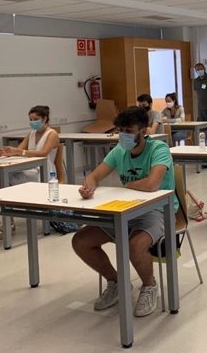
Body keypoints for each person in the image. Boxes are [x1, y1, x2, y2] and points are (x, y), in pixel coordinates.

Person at [72, 106, 177, 318]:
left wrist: (123, 188)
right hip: (124, 210)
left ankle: (149, 286)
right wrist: (88, 187)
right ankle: (117, 282)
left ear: (143, 131)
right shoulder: (119, 151)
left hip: (158, 210)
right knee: (81, 241)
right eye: (120, 130)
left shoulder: (158, 150)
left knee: (135, 246)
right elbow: (94, 176)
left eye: (129, 130)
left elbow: (152, 184)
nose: (123, 135)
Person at [0, 105, 59, 240]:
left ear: (45, 118)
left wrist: (20, 152)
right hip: (28, 168)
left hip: (43, 172)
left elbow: (43, 153)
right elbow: (18, 150)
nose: (33, 122)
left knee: (4, 181)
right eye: (31, 119)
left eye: (36, 119)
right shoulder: (31, 134)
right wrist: (7, 153)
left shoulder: (52, 134)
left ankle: (5, 221)